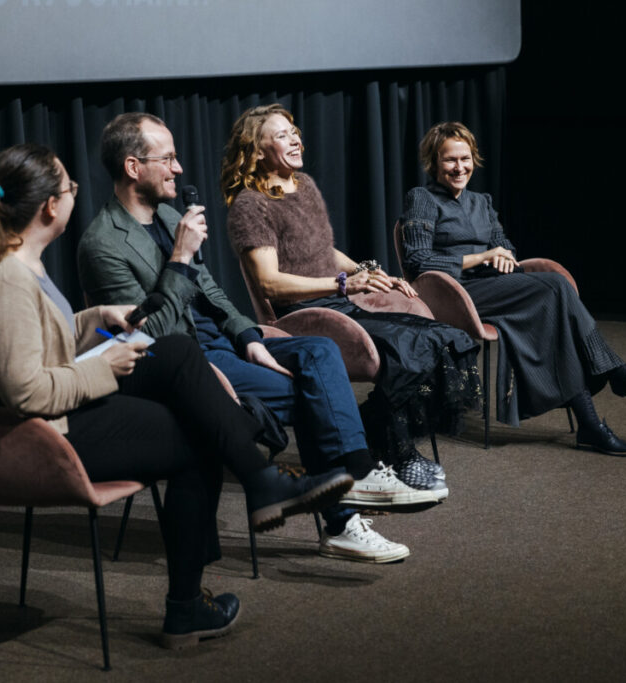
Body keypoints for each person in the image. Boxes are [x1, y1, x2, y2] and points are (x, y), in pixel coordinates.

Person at [0, 143, 354, 649]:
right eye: (70, 189)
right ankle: (191, 597)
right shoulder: (7, 281)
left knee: (173, 353)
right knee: (198, 437)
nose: (74, 196)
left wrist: (93, 321)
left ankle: (258, 486)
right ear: (49, 206)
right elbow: (25, 392)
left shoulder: (21, 266)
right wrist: (104, 367)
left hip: (55, 412)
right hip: (31, 435)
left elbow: (37, 346)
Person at [78, 113, 433, 565]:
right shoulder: (102, 243)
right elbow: (152, 337)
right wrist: (181, 260)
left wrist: (248, 335)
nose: (179, 168)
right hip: (188, 359)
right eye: (167, 158)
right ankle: (343, 519)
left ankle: (355, 474)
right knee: (309, 392)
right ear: (133, 167)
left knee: (319, 352)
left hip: (222, 342)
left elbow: (211, 292)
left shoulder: (169, 216)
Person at [221, 104, 483, 480]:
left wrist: (366, 271)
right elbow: (269, 282)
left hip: (338, 302)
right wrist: (343, 284)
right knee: (406, 348)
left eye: (293, 130)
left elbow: (321, 252)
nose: (295, 138)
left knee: (447, 337)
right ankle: (398, 450)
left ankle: (370, 425)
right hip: (302, 315)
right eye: (281, 135)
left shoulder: (304, 186)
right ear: (257, 151)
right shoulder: (251, 205)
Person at [398, 121, 626, 455]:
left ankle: (590, 425)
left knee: (551, 309)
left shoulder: (481, 201)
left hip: (493, 287)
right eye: (450, 160)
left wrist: (506, 256)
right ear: (434, 163)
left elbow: (504, 244)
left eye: (465, 158)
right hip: (454, 294)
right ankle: (617, 372)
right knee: (554, 286)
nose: (459, 167)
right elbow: (418, 261)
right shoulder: (422, 198)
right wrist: (482, 256)